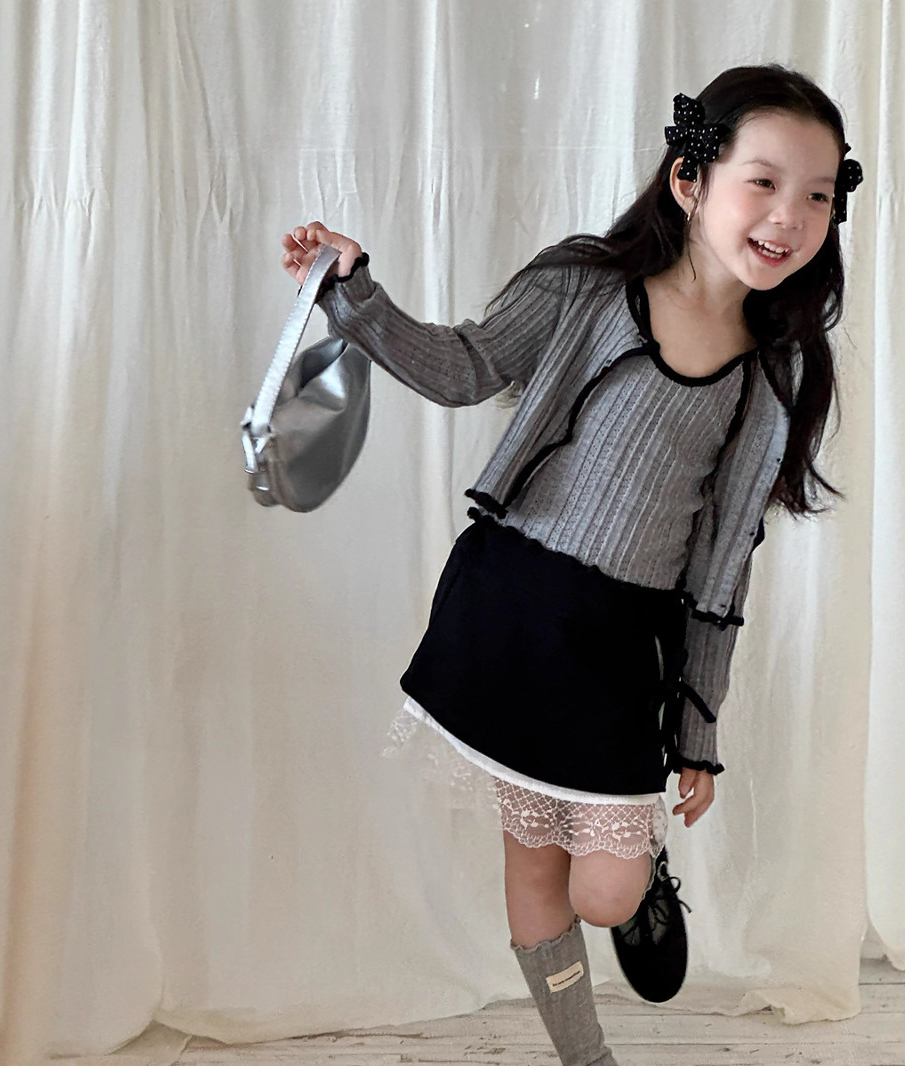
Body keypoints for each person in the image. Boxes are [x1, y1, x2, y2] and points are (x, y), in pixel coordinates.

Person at [279, 63, 862, 1066]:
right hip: (512, 606)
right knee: (537, 867)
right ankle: (586, 1058)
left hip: (621, 643)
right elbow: (463, 366)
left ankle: (645, 874)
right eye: (764, 182)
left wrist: (696, 729)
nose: (789, 216)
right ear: (690, 180)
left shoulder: (773, 370)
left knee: (607, 890)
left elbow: (722, 565)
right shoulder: (584, 286)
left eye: (817, 195)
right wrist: (352, 290)